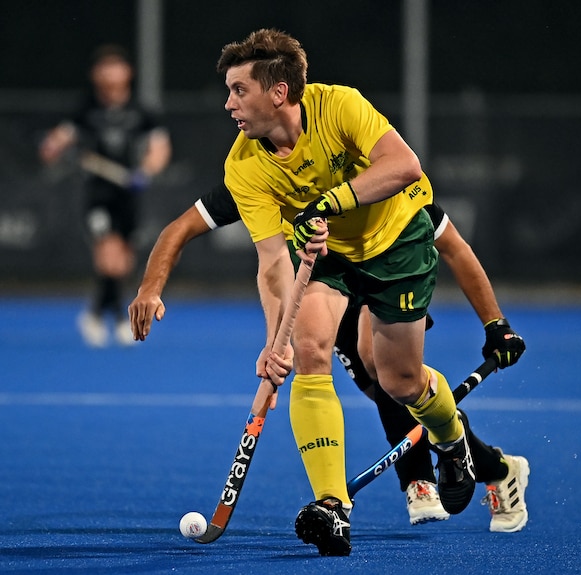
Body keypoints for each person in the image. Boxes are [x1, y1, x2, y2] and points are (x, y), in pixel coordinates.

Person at [214, 28, 525, 556]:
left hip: (397, 242)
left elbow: (405, 165)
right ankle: (333, 507)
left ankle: (452, 443)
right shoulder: (243, 166)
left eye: (239, 90)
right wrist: (275, 341)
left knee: (400, 383)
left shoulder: (340, 106)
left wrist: (329, 202)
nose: (229, 104)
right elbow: (271, 262)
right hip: (328, 256)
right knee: (310, 352)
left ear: (279, 92)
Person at [129, 184, 526, 528]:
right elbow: (181, 229)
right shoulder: (258, 174)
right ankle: (497, 466)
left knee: (385, 368)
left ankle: (417, 477)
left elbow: (453, 245)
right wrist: (150, 287)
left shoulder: (368, 173)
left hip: (387, 271)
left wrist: (496, 324)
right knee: (378, 387)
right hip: (325, 279)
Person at [39, 44, 172, 347]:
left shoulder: (141, 112)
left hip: (129, 195)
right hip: (98, 195)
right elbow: (55, 143)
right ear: (95, 75)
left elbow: (160, 148)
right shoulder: (85, 110)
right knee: (109, 256)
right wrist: (53, 147)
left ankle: (98, 313)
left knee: (124, 263)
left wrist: (146, 172)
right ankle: (114, 318)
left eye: (117, 66)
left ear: (128, 73)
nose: (111, 73)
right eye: (104, 68)